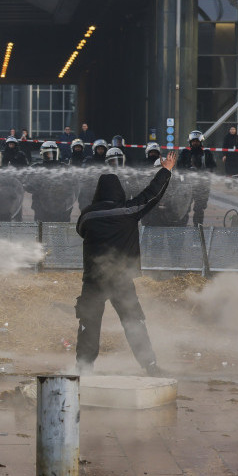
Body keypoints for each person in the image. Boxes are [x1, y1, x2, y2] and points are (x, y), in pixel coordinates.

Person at [75, 151, 177, 376]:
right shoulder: (129, 211)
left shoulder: (88, 215)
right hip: (121, 279)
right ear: (119, 191)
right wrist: (166, 170)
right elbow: (152, 194)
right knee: (134, 323)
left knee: (88, 324)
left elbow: (81, 231)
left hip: (93, 279)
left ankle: (84, 369)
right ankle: (150, 367)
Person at [176, 131, 216, 226]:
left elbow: (212, 168)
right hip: (187, 185)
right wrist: (186, 171)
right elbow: (179, 167)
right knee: (184, 208)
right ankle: (181, 228)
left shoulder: (207, 154)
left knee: (199, 209)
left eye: (197, 141)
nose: (195, 143)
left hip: (201, 186)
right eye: (193, 141)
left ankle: (198, 230)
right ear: (190, 142)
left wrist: (204, 174)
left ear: (201, 142)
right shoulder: (185, 153)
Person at [27, 141, 74, 223]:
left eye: (53, 153)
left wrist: (65, 189)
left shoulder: (64, 167)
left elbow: (72, 183)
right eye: (48, 153)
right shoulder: (36, 168)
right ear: (43, 154)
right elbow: (27, 183)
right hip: (41, 204)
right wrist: (34, 187)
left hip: (60, 203)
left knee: (61, 227)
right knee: (41, 229)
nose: (51, 156)